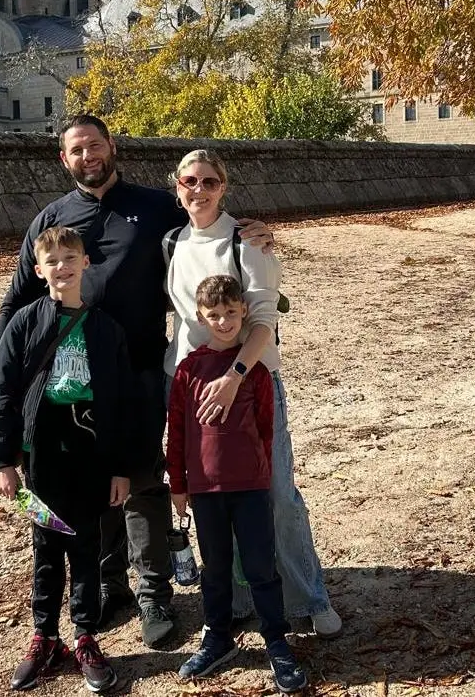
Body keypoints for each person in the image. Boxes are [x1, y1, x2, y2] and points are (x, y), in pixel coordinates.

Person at [0, 114, 273, 649]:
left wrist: (253, 231)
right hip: (72, 382)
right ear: (64, 159)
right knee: (87, 483)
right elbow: (18, 302)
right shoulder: (51, 220)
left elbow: (205, 221)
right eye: (76, 150)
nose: (88, 157)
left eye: (95, 146)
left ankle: (153, 594)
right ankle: (108, 585)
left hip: (142, 371)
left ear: (111, 147)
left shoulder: (153, 206)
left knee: (142, 481)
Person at [163, 149, 342, 638]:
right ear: (176, 186)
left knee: (277, 492)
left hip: (247, 381)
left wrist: (235, 376)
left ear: (224, 187)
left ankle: (308, 596)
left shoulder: (247, 242)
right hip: (197, 382)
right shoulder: (172, 240)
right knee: (220, 497)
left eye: (209, 182)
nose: (198, 190)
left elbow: (264, 320)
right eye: (189, 181)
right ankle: (242, 599)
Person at [0, 227, 137, 693]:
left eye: (71, 258)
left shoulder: (106, 328)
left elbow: (122, 402)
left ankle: (86, 634)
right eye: (52, 261)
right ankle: (45, 635)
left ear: (85, 263)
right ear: (39, 270)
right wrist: (3, 459)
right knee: (47, 548)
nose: (62, 267)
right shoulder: (26, 323)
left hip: (91, 454)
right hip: (40, 457)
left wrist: (121, 467)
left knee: (88, 547)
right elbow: (2, 390)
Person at [167, 275, 308, 693]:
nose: (224, 322)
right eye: (214, 315)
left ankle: (277, 640)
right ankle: (218, 635)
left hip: (250, 487)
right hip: (206, 491)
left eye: (231, 313)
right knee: (216, 569)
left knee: (261, 566)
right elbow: (177, 432)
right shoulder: (188, 371)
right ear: (200, 317)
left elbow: (267, 427)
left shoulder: (256, 370)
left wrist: (261, 473)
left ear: (243, 311)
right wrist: (179, 483)